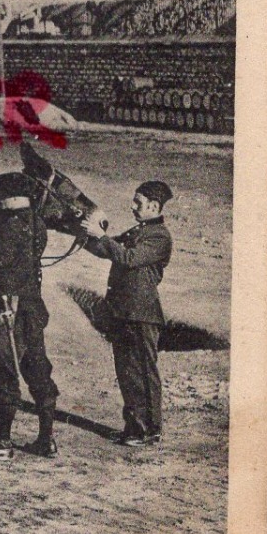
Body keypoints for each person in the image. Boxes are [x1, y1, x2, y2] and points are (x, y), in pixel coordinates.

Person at [0, 182, 59, 460]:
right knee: (38, 370)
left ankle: (1, 442)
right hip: (32, 309)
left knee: (2, 374)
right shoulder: (36, 225)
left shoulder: (5, 232)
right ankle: (46, 439)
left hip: (7, 312)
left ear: (9, 200)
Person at [82, 180, 175, 447]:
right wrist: (86, 235)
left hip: (142, 315)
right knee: (127, 372)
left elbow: (128, 258)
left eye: (138, 202)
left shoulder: (159, 236)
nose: (133, 206)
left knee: (144, 373)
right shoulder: (140, 231)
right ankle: (134, 427)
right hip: (124, 313)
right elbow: (107, 250)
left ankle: (150, 431)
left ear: (154, 206)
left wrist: (102, 237)